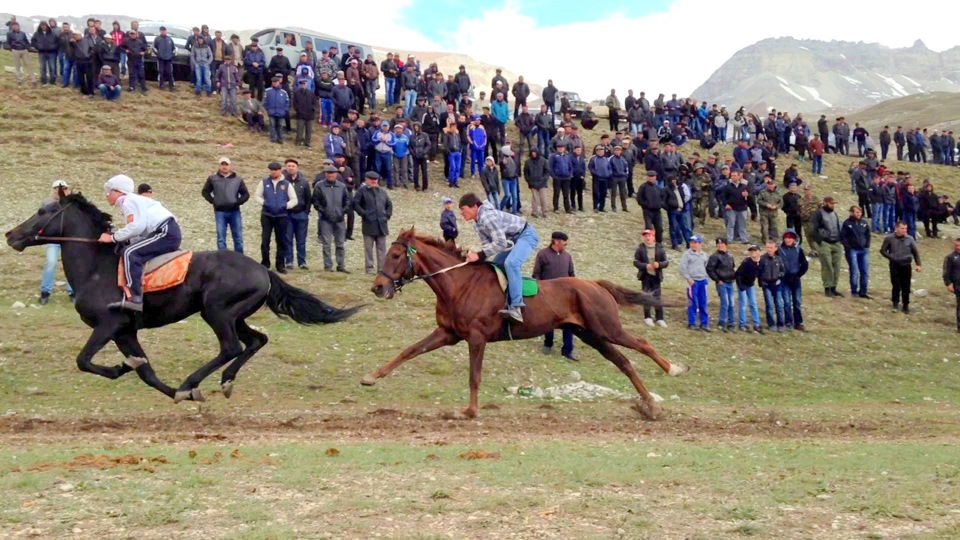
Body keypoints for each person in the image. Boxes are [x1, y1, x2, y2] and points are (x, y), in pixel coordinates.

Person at [99, 174, 181, 312]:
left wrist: (113, 238)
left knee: (129, 252)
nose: (107, 194)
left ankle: (135, 297)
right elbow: (138, 229)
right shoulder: (132, 200)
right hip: (165, 231)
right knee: (129, 249)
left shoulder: (128, 201)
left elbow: (136, 227)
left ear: (119, 191)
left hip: (165, 232)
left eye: (109, 191)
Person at [459, 192, 540, 323]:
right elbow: (488, 246)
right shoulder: (477, 223)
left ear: (474, 206)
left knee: (511, 263)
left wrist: (479, 255)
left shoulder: (486, 217)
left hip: (526, 235)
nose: (461, 213)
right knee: (495, 265)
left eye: (463, 209)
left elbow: (500, 243)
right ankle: (502, 301)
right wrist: (477, 259)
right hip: (511, 241)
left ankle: (516, 307)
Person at [534, 231, 576, 359]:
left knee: (569, 322)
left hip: (565, 296)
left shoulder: (567, 257)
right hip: (548, 295)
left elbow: (571, 274)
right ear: (556, 241)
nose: (566, 244)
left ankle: (568, 350)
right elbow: (536, 274)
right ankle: (548, 344)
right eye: (564, 241)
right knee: (548, 321)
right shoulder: (542, 255)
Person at [254, 162, 297, 273]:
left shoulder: (286, 184)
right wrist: (264, 203)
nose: (274, 171)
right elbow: (257, 195)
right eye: (272, 169)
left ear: (280, 170)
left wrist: (286, 206)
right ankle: (265, 262)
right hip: (267, 215)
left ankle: (280, 264)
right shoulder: (264, 182)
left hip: (281, 216)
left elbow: (294, 199)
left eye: (276, 169)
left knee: (281, 241)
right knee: (265, 240)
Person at [202, 157, 249, 253]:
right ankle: (222, 260)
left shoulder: (238, 179)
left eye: (226, 164)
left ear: (230, 166)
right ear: (219, 166)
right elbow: (205, 192)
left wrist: (237, 202)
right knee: (221, 238)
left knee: (238, 238)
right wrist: (213, 201)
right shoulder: (212, 179)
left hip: (234, 212)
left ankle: (239, 260)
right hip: (220, 212)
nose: (224, 167)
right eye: (222, 164)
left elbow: (245, 194)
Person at [39, 181, 75, 305]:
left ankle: (73, 292)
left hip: (69, 239)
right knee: (51, 262)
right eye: (57, 188)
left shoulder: (71, 202)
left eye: (63, 188)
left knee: (71, 264)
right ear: (53, 189)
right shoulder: (47, 203)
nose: (60, 190)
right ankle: (45, 292)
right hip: (54, 239)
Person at [313, 165, 351, 273]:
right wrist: (324, 212)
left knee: (340, 244)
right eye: (328, 173)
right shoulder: (319, 186)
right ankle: (328, 266)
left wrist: (342, 212)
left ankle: (341, 265)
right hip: (325, 219)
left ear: (336, 174)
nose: (330, 175)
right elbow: (316, 201)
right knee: (326, 244)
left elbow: (347, 201)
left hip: (340, 219)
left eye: (332, 173)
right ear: (325, 174)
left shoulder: (342, 186)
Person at [354, 171, 393, 274]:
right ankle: (369, 268)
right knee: (368, 249)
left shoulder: (382, 192)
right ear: (366, 179)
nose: (374, 181)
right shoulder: (361, 191)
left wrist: (387, 215)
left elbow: (389, 204)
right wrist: (364, 214)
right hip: (368, 224)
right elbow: (355, 203)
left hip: (382, 224)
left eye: (375, 180)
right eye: (372, 180)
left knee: (382, 249)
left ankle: (381, 268)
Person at [880, 221, 922, 314]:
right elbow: (883, 250)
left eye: (905, 228)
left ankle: (906, 305)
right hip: (894, 265)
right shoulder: (889, 238)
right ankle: (895, 304)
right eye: (902, 228)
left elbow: (915, 252)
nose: (904, 230)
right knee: (895, 285)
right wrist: (891, 257)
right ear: (897, 228)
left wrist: (918, 264)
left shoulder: (910, 239)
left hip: (906, 265)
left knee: (906, 286)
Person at [633, 229, 668, 327]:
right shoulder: (640, 249)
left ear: (653, 237)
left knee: (657, 296)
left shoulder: (660, 248)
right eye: (645, 236)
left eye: (649, 236)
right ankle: (647, 317)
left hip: (656, 276)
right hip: (645, 276)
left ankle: (660, 318)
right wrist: (645, 266)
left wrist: (659, 264)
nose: (647, 238)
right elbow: (636, 262)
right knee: (646, 296)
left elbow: (666, 262)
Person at [810, 196, 844, 297]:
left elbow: (837, 227)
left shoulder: (834, 214)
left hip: (836, 242)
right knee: (827, 266)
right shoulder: (818, 214)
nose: (833, 205)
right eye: (831, 203)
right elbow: (813, 229)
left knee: (836, 266)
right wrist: (820, 241)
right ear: (825, 203)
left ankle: (834, 287)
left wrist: (839, 239)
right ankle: (827, 288)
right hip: (824, 243)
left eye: (833, 204)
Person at [282, 159, 311, 270]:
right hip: (287, 215)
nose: (290, 168)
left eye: (293, 166)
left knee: (301, 240)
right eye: (288, 166)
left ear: (297, 168)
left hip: (301, 214)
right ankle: (289, 261)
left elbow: (308, 198)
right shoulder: (283, 182)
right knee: (288, 239)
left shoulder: (303, 182)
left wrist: (306, 212)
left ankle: (302, 262)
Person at [778, 230, 808, 331]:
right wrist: (781, 275)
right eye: (786, 237)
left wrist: (798, 275)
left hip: (795, 279)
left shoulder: (798, 250)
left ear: (794, 239)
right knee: (786, 302)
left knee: (797, 302)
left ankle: (798, 322)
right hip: (784, 279)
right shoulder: (779, 250)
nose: (788, 239)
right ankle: (788, 322)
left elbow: (804, 264)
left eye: (790, 238)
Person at [679, 235, 710, 331]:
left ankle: (704, 323)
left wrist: (706, 278)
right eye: (691, 242)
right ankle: (692, 322)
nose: (693, 244)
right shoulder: (686, 255)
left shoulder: (704, 255)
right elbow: (682, 268)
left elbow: (706, 266)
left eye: (695, 243)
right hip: (692, 281)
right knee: (692, 302)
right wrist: (688, 278)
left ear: (700, 244)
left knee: (703, 302)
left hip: (702, 281)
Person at [840, 206, 871, 298]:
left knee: (865, 271)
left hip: (864, 250)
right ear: (852, 213)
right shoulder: (847, 223)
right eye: (857, 212)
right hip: (852, 250)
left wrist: (867, 244)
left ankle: (863, 291)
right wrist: (848, 247)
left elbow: (868, 234)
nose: (859, 214)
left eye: (860, 212)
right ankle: (854, 291)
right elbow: (843, 236)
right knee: (855, 271)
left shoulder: (864, 223)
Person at [707, 238, 736, 332]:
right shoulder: (714, 257)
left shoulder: (730, 256)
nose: (720, 245)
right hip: (721, 282)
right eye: (718, 244)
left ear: (726, 245)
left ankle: (731, 323)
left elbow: (732, 267)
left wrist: (733, 277)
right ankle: (722, 322)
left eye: (722, 243)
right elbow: (710, 269)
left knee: (731, 303)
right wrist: (717, 280)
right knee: (725, 302)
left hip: (730, 282)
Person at [758, 240, 786, 332]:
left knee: (779, 304)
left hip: (777, 285)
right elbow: (759, 272)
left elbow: (783, 270)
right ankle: (771, 324)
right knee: (769, 305)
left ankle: (780, 324)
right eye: (768, 247)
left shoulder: (779, 259)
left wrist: (779, 277)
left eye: (771, 248)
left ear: (775, 248)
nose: (769, 249)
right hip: (766, 285)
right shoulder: (762, 259)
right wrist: (761, 282)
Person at [735, 245, 763, 333]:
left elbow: (760, 273)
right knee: (743, 304)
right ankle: (742, 324)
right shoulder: (746, 261)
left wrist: (761, 283)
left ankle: (757, 324)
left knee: (753, 303)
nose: (753, 253)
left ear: (759, 252)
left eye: (755, 251)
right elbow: (738, 274)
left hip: (750, 284)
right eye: (751, 251)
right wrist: (740, 285)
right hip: (742, 284)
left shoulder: (760, 262)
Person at [5, 21, 34, 86]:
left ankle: (33, 79)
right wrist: (11, 49)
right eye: (13, 26)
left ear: (18, 26)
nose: (15, 27)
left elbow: (26, 41)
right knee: (17, 66)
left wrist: (29, 48)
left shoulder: (23, 33)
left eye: (16, 25)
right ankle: (19, 80)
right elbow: (8, 42)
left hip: (24, 50)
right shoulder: (9, 34)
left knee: (28, 65)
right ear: (12, 27)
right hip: (15, 50)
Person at [523, 148, 549, 218]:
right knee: (535, 198)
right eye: (532, 152)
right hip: (532, 182)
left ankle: (545, 212)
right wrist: (529, 181)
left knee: (543, 198)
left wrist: (544, 179)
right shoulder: (528, 162)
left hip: (542, 182)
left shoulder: (543, 161)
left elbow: (547, 171)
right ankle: (534, 211)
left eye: (535, 152)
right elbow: (526, 173)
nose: (533, 154)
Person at [263, 76, 290, 144]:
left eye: (276, 82)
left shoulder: (284, 92)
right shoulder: (267, 91)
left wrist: (285, 110)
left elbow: (287, 102)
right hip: (271, 112)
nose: (274, 83)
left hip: (281, 112)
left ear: (279, 82)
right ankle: (273, 139)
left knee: (280, 126)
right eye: (273, 82)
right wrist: (268, 109)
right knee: (272, 126)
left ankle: (280, 139)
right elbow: (265, 101)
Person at [942, 239, 960, 332]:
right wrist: (948, 283)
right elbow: (946, 271)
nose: (958, 247)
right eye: (956, 245)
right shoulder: (950, 257)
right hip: (957, 284)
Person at [292, 79, 316, 147]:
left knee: (309, 130)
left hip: (309, 115)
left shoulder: (311, 93)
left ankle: (307, 142)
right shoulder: (297, 93)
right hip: (300, 114)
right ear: (300, 85)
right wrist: (298, 109)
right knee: (300, 129)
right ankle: (298, 141)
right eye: (302, 84)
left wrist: (312, 109)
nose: (303, 85)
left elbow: (314, 103)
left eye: (304, 84)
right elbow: (294, 103)